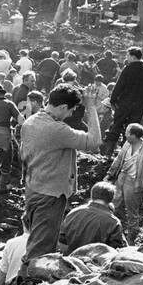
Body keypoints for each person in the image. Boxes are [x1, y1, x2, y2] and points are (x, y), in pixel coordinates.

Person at [19, 83, 102, 266]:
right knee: (41, 251)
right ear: (63, 107)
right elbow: (95, 142)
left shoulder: (30, 122)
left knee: (36, 241)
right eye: (71, 110)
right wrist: (91, 107)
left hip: (33, 189)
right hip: (50, 196)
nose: (71, 115)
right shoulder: (56, 129)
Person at [108, 122, 143, 242]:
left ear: (134, 136)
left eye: (127, 133)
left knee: (132, 212)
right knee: (113, 205)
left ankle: (131, 239)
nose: (125, 135)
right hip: (122, 178)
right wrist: (110, 174)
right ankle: (111, 232)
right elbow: (119, 159)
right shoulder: (127, 144)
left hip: (134, 182)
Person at [106, 47, 143, 154]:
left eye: (127, 55)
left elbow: (119, 86)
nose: (126, 57)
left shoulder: (128, 69)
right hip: (139, 106)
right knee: (132, 130)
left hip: (124, 104)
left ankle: (109, 152)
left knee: (116, 126)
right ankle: (126, 154)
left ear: (132, 56)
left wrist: (113, 100)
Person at [59, 182, 126, 252]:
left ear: (92, 195)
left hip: (71, 259)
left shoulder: (73, 213)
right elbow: (119, 250)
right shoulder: (113, 222)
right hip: (96, 261)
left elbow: (62, 241)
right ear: (111, 199)